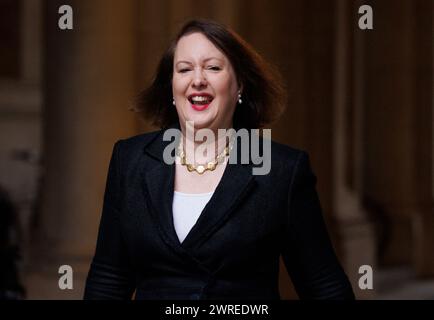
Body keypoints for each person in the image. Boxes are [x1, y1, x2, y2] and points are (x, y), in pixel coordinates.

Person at [84, 19, 355, 300]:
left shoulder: (281, 170)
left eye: (213, 68)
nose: (197, 79)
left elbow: (323, 285)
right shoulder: (130, 160)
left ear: (239, 86)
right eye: (184, 69)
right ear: (171, 87)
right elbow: (109, 278)